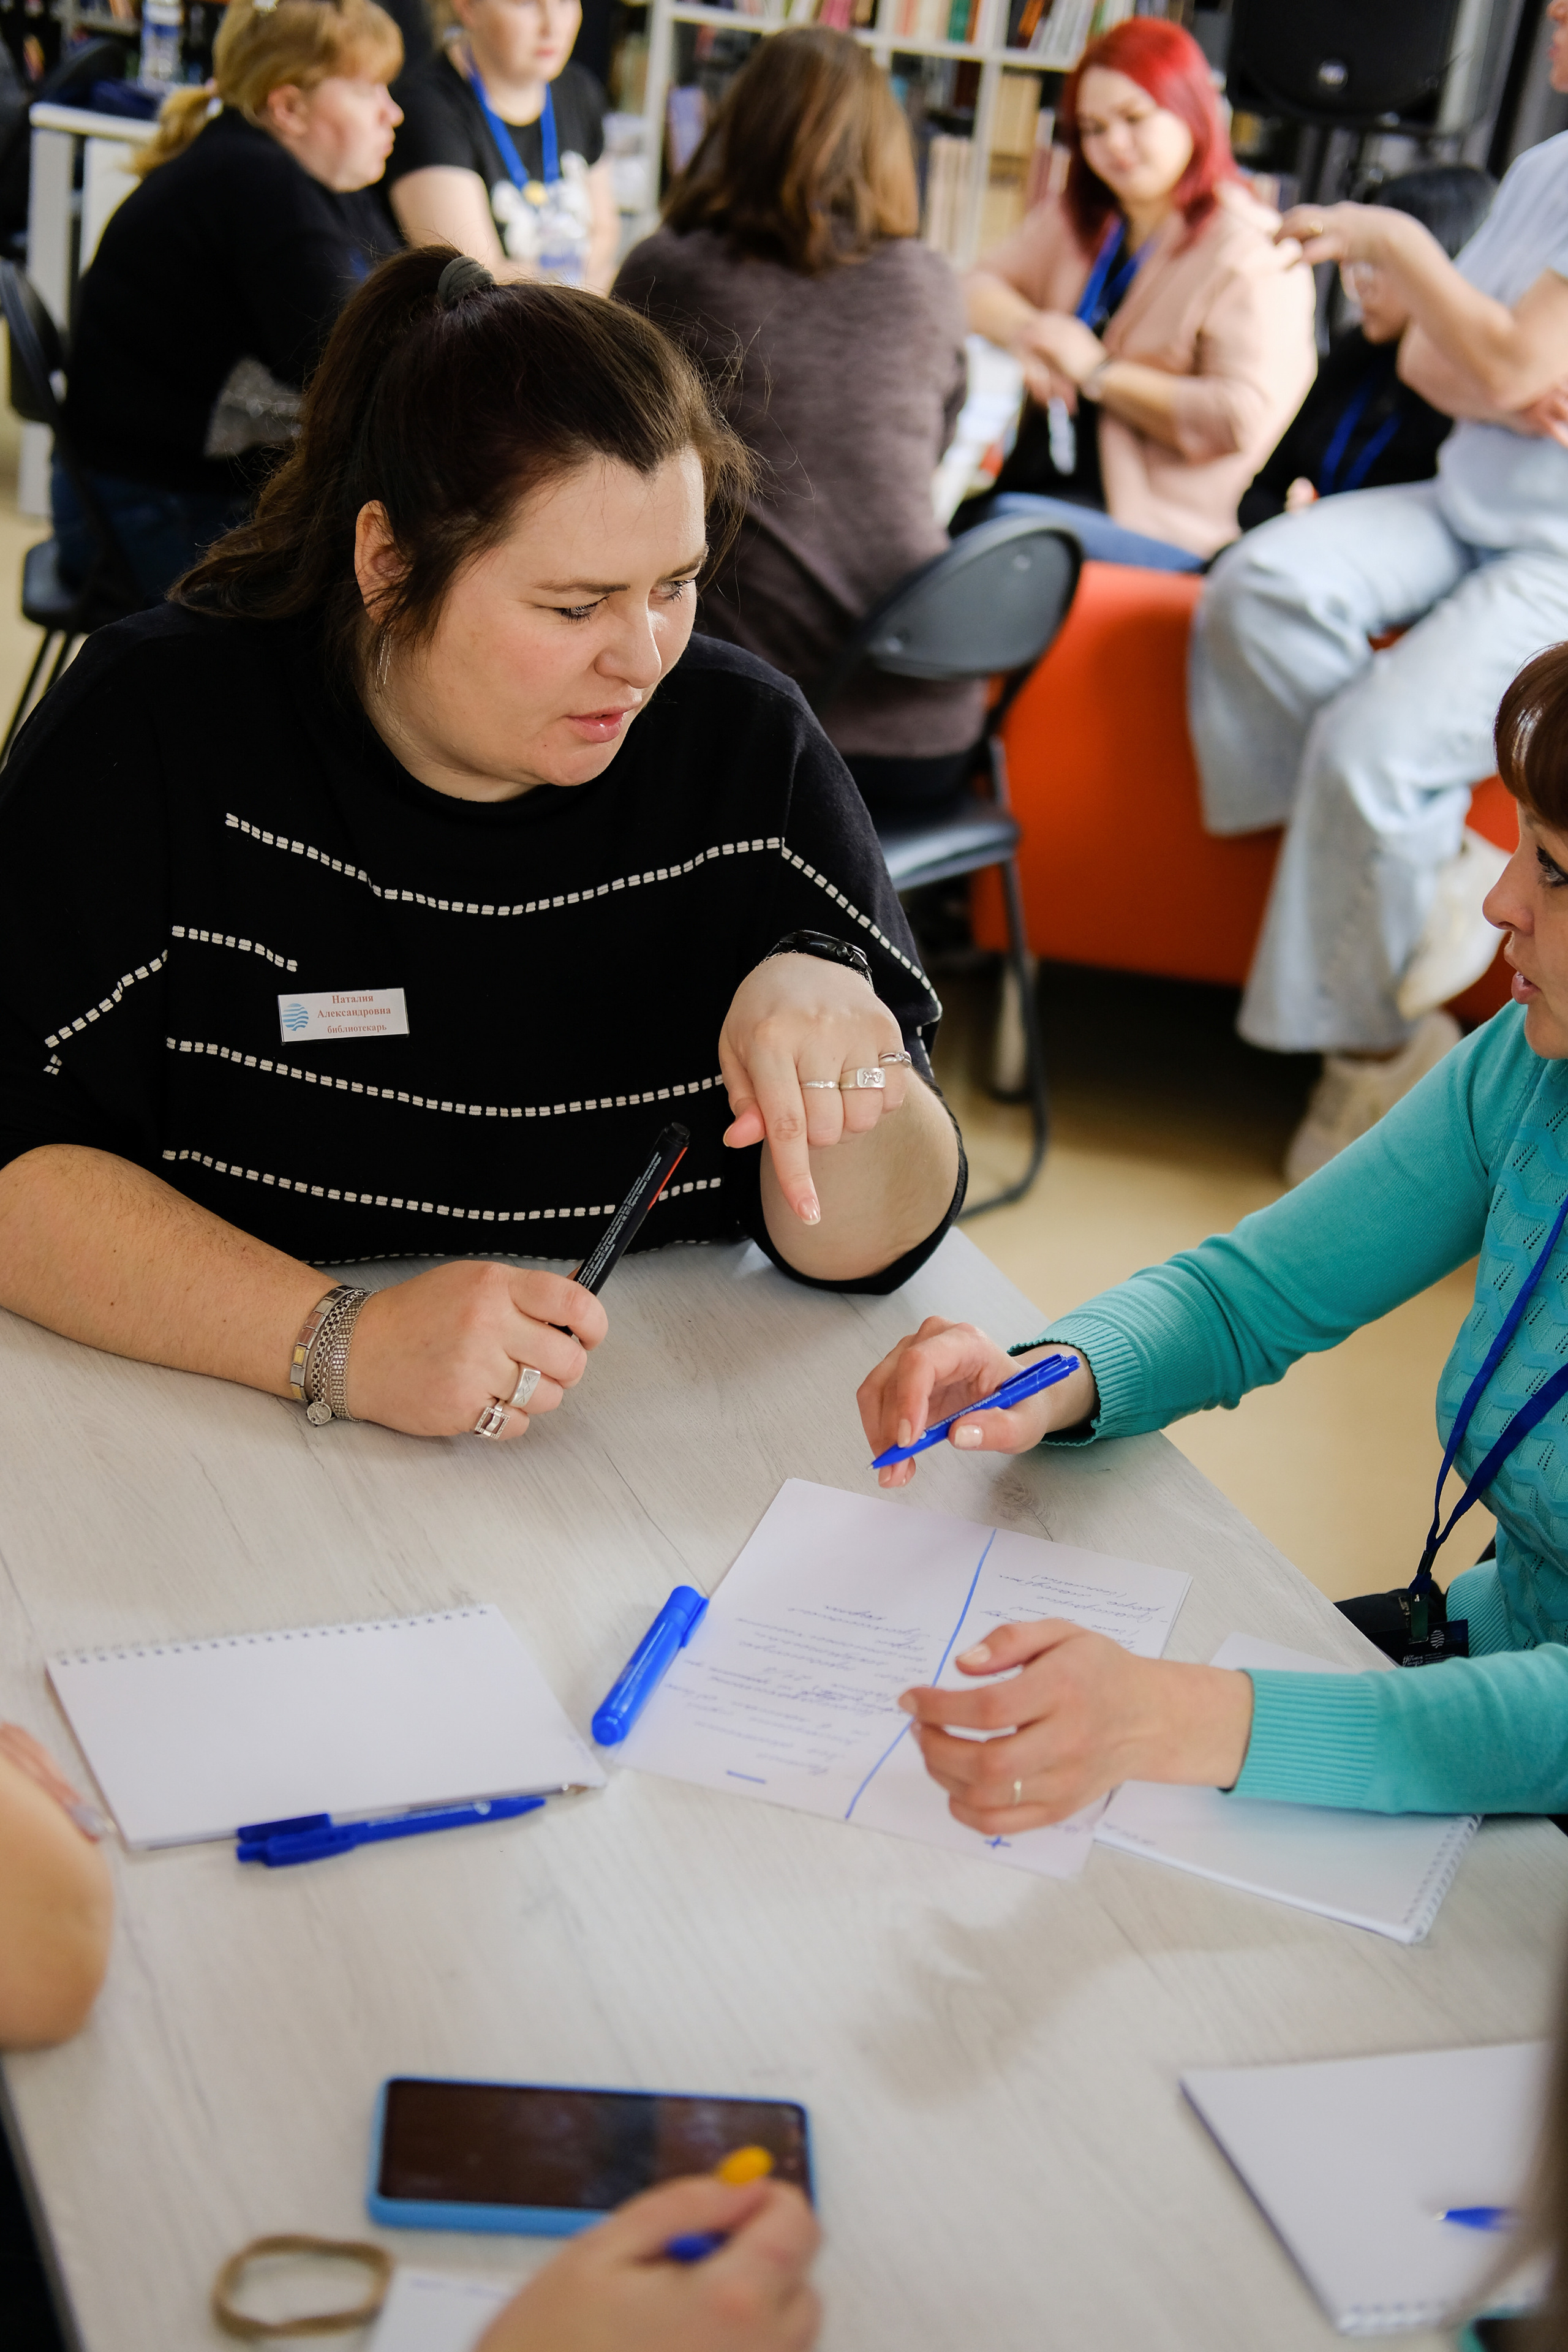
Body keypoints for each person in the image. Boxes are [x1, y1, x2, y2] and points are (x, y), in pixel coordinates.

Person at [0, 248, 963, 1449]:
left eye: (675, 584)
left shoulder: (746, 749)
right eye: (574, 606)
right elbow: (16, 1162)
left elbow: (875, 1243)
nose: (643, 656)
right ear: (388, 562)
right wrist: (338, 1337)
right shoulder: (156, 730)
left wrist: (840, 1054)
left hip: (650, 1450)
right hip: (198, 1426)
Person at [857, 642, 1568, 1832]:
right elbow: (1252, 1294)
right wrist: (1054, 1376)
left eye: (1549, 868)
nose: (1496, 901)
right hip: (1475, 1657)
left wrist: (1174, 1719)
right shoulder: (1523, 1065)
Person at [1189, 0, 1568, 1188]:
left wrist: (1404, 255)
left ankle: (1367, 1053)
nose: (1551, 12)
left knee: (1366, 752)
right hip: (1465, 499)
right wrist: (1501, 367)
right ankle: (1415, 855)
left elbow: (1498, 361)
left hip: (1554, 551)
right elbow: (1429, 362)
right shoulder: (1548, 165)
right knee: (1253, 583)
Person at [614, 29, 981, 819]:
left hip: (761, 727)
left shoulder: (673, 270)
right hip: (935, 733)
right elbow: (938, 439)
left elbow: (614, 460)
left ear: (738, 129)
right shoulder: (929, 279)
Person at [58, 0, 405, 604]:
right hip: (150, 510)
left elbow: (403, 308)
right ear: (288, 106)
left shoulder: (313, 182)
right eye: (368, 88)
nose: (392, 112)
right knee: (368, 608)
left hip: (166, 494)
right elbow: (349, 366)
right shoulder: (255, 182)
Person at [959, 16, 1315, 569]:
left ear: (1190, 112)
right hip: (1051, 477)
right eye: (1093, 129)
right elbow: (973, 288)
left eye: (1133, 119)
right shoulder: (1085, 218)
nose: (1113, 146)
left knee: (997, 535)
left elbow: (1238, 419)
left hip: (1163, 526)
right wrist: (1033, 332)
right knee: (949, 527)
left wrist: (1098, 372)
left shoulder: (1252, 252)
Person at [1238, 164, 1495, 533]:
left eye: (1381, 264)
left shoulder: (1472, 394)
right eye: (1357, 263)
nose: (1360, 283)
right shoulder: (1356, 352)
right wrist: (1300, 544)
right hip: (1299, 565)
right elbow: (1261, 492)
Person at [383, 0, 617, 290]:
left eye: (565, 2)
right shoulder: (428, 111)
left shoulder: (580, 91)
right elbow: (476, 288)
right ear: (468, 7)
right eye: (526, 4)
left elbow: (606, 234)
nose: (553, 27)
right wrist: (583, 279)